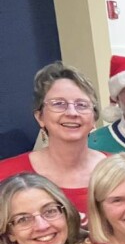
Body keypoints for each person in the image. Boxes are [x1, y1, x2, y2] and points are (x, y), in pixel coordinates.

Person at [0, 62, 106, 221]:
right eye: (58, 104)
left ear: (94, 118)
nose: (72, 112)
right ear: (40, 117)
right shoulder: (5, 175)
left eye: (81, 105)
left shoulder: (120, 171)